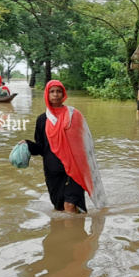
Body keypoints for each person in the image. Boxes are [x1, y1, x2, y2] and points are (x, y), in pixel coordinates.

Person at [23, 80, 106, 213]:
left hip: (74, 169)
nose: (55, 94)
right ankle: (75, 231)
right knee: (60, 208)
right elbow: (41, 147)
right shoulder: (42, 119)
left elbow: (84, 143)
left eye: (58, 91)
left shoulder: (74, 115)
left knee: (71, 206)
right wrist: (27, 144)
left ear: (63, 94)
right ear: (47, 95)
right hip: (53, 172)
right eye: (52, 91)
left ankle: (73, 232)